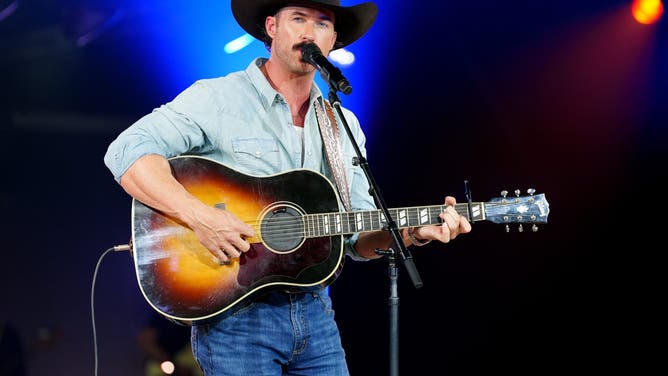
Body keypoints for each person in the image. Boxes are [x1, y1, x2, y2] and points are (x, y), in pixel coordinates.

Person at [104, 0, 472, 374]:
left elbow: (357, 240)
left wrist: (412, 233)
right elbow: (126, 153)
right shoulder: (218, 99)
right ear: (271, 27)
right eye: (298, 19)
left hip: (316, 313)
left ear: (333, 41)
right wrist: (199, 217)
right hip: (235, 317)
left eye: (323, 23)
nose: (309, 32)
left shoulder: (341, 124)